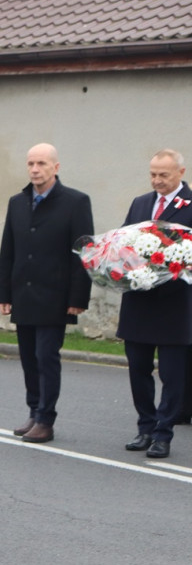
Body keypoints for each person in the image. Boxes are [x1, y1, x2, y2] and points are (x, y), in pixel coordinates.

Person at [0, 143, 93, 444]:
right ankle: (34, 410)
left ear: (56, 167)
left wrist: (78, 298)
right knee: (28, 357)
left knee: (45, 356)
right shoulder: (17, 202)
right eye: (31, 164)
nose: (35, 169)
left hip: (55, 295)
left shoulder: (75, 202)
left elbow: (84, 251)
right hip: (23, 293)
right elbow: (8, 249)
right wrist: (4, 293)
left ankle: (46, 420)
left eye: (41, 164)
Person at [118, 149, 192, 459]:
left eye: (163, 175)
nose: (157, 180)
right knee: (138, 368)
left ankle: (164, 433)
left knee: (173, 374)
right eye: (153, 174)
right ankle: (145, 427)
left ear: (181, 173)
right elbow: (123, 242)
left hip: (175, 304)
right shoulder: (140, 203)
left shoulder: (190, 206)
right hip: (139, 301)